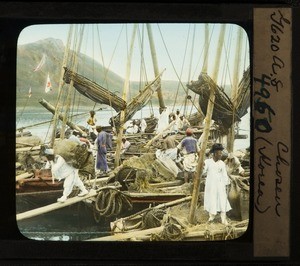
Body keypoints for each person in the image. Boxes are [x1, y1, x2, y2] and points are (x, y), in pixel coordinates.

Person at [202, 143, 231, 225]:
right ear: (214, 153)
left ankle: (223, 218)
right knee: (212, 199)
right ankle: (211, 217)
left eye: (221, 153)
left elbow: (224, 174)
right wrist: (201, 167)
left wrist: (226, 183)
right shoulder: (207, 162)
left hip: (220, 184)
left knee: (222, 199)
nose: (221, 155)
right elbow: (203, 172)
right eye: (219, 153)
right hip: (211, 184)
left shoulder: (221, 163)